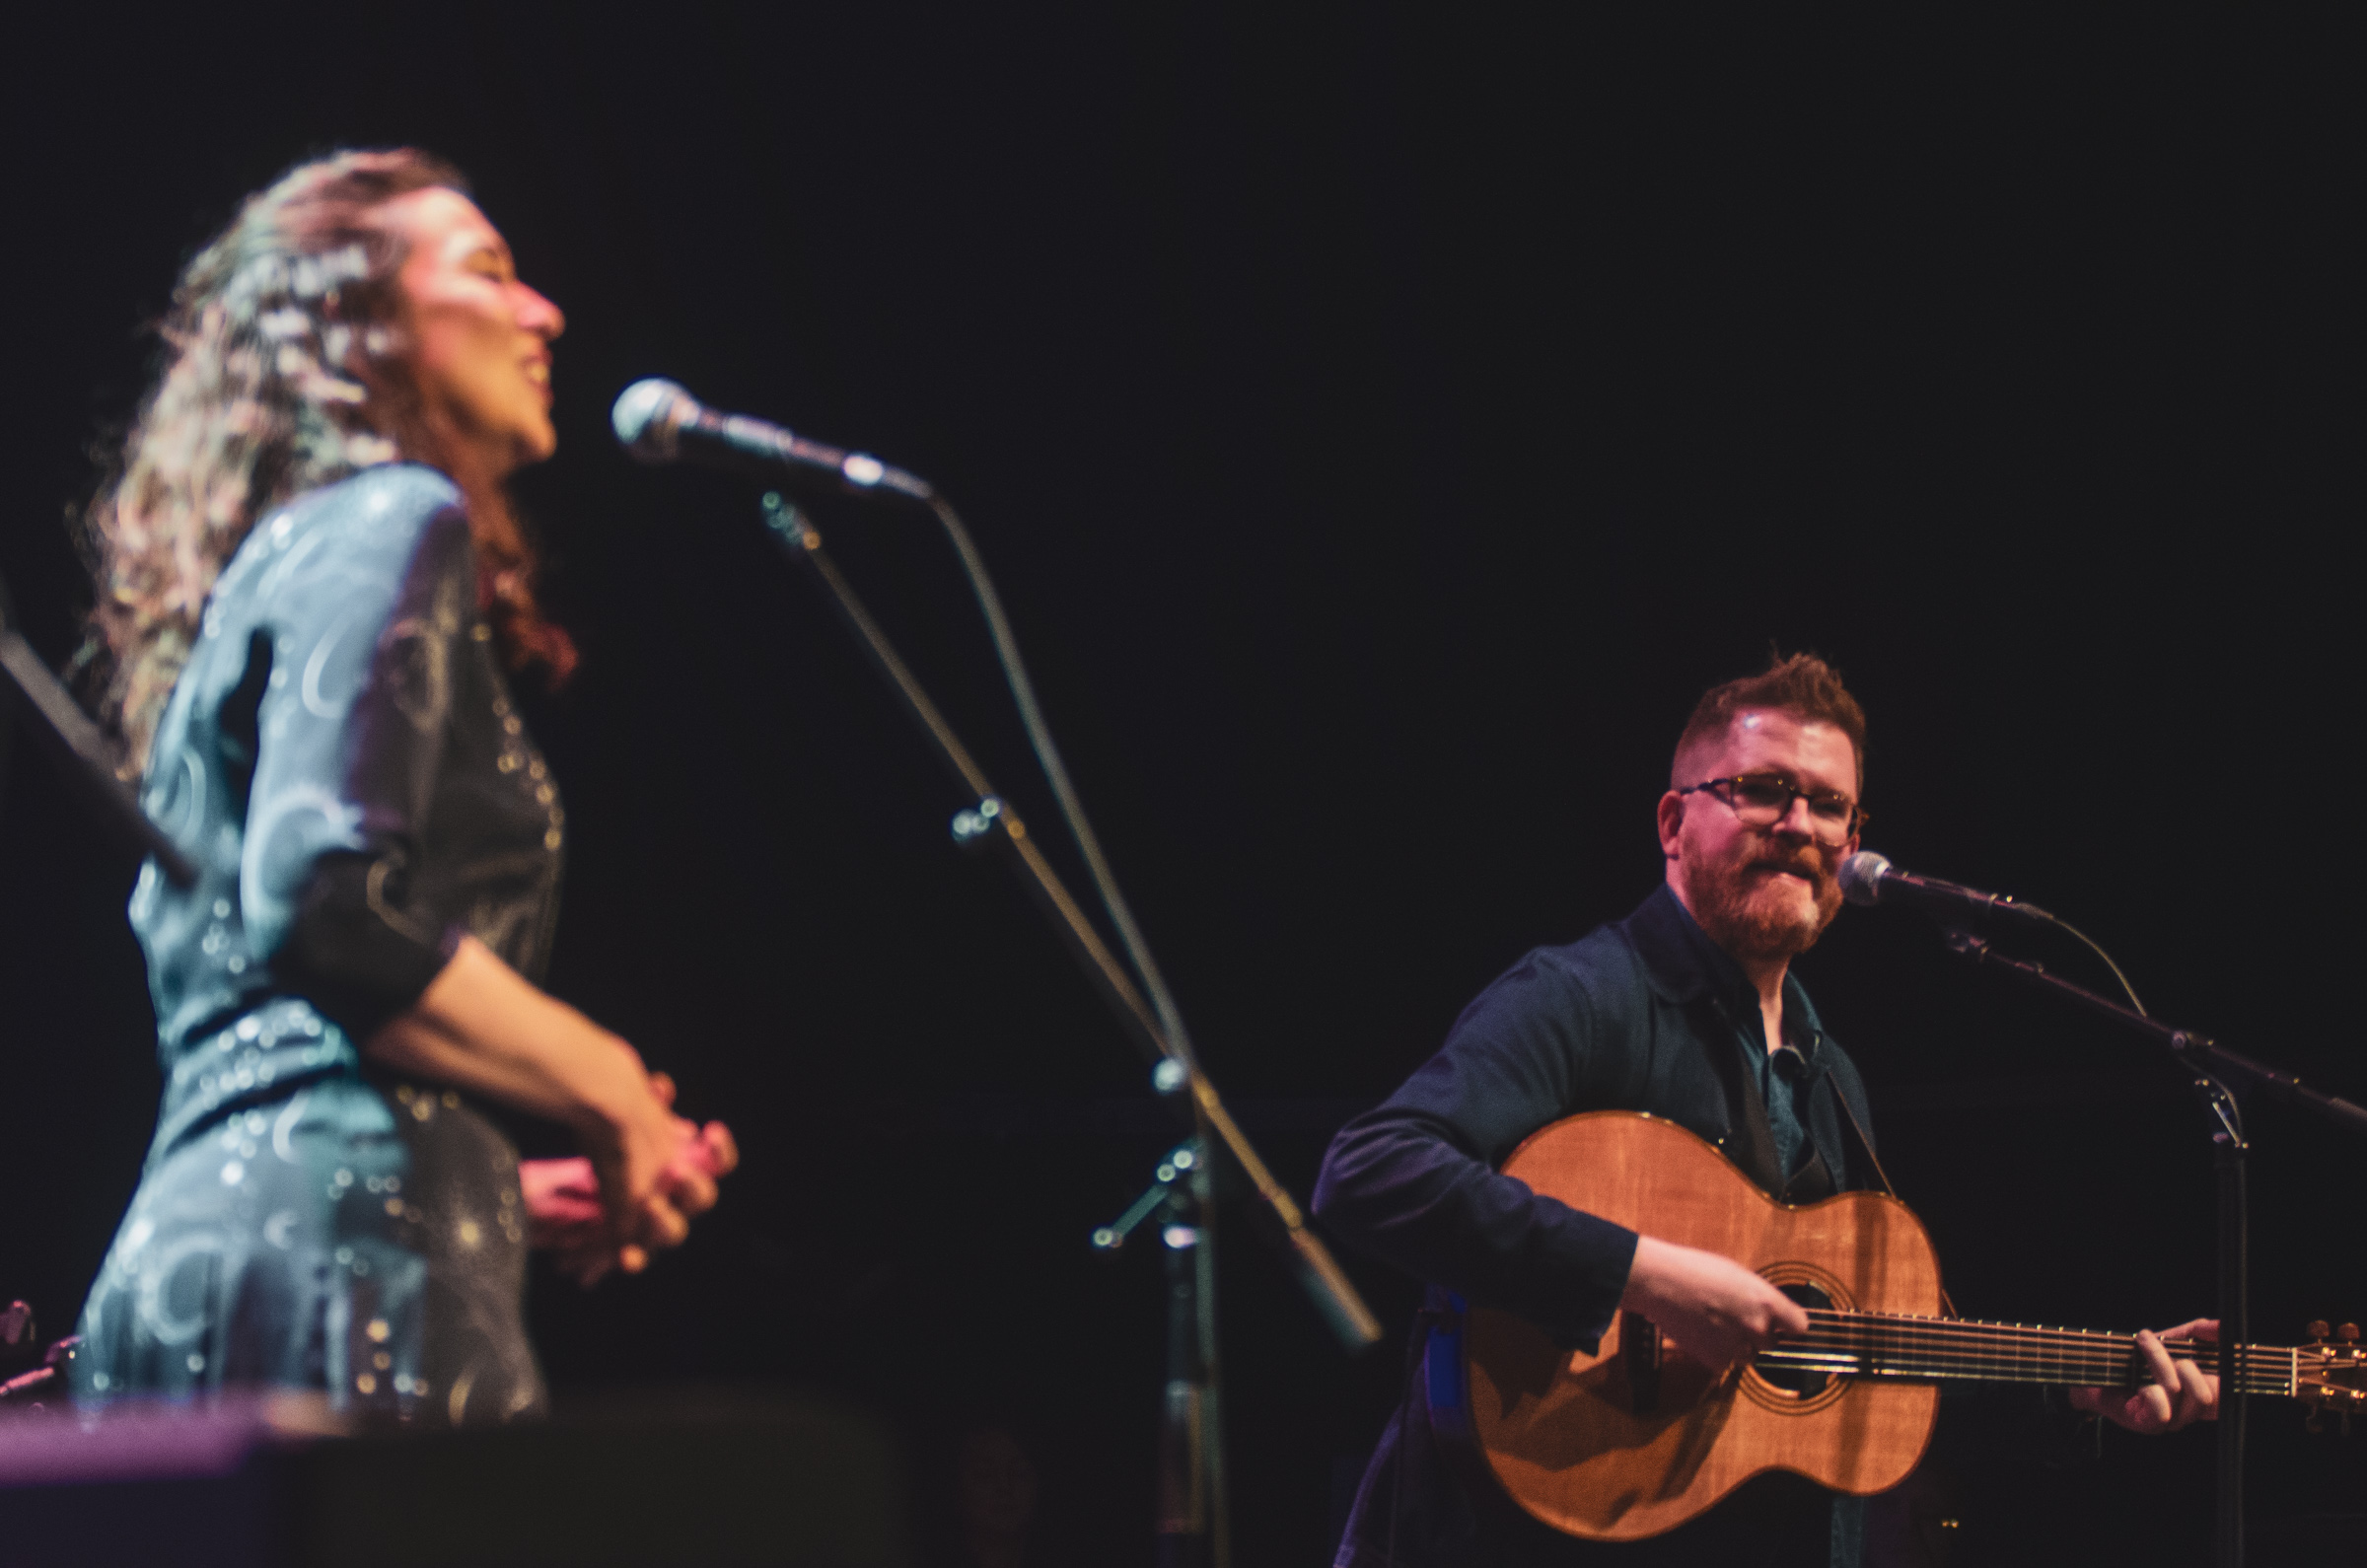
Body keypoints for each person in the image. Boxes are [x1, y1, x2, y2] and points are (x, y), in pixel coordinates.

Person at [70, 149, 735, 1423]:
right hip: (338, 1268)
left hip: (208, 1259)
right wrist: (605, 1086)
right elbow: (329, 903)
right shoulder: (392, 512)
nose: (543, 313)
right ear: (357, 322)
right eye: (489, 271)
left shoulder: (274, 570)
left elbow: (269, 1031)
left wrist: (484, 1181)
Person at [1312, 653, 2216, 1567]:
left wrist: (2081, 1392)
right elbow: (1374, 1169)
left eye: (1830, 806)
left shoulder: (1832, 1079)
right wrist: (1647, 1275)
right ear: (1674, 821)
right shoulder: (1582, 996)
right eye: (1763, 791)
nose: (1800, 826)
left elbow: (1868, 1367)